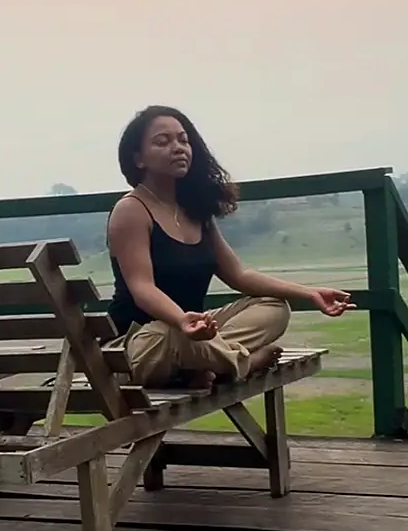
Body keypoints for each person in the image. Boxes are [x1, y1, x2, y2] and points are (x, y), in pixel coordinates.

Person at [106, 105, 353, 389]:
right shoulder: (131, 210)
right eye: (163, 142)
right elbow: (142, 289)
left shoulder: (195, 211)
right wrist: (182, 320)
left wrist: (309, 293)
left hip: (195, 332)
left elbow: (239, 275)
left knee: (273, 307)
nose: (178, 148)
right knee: (167, 335)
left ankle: (205, 364)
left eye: (183, 140)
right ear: (138, 159)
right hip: (140, 342)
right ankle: (242, 363)